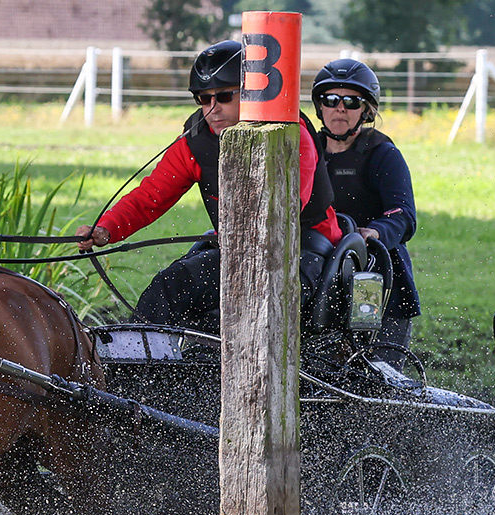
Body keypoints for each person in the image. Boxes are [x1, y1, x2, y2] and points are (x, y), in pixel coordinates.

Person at [78, 40, 342, 331]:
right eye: (204, 99)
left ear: (251, 92)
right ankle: (138, 364)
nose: (212, 110)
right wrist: (106, 228)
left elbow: (285, 209)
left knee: (238, 306)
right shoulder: (195, 141)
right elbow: (150, 197)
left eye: (224, 96)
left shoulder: (292, 135)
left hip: (302, 245)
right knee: (167, 287)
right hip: (235, 248)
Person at [312, 58, 419, 367]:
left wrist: (374, 232)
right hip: (320, 278)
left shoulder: (383, 154)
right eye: (331, 100)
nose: (340, 108)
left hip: (377, 279)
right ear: (320, 107)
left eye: (351, 102)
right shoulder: (307, 150)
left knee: (377, 376)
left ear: (367, 110)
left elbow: (404, 216)